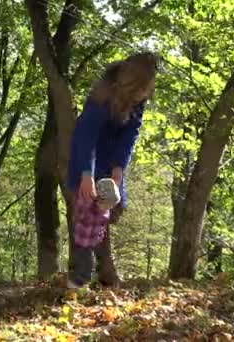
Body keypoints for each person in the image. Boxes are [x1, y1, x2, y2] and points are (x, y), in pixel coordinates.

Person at [66, 52, 158, 288]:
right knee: (87, 213)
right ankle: (80, 275)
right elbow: (86, 137)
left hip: (111, 163)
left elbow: (130, 135)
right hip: (88, 160)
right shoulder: (102, 94)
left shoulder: (137, 102)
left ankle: (99, 271)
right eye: (145, 86)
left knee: (113, 209)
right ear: (133, 82)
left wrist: (119, 169)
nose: (147, 92)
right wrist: (86, 174)